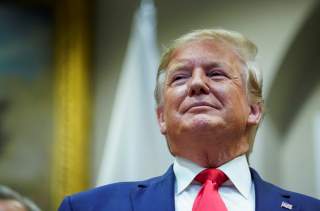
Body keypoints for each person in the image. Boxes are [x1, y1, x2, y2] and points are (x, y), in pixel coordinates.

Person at [59, 29, 320, 211]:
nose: (196, 84)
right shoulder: (88, 208)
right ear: (161, 117)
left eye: (216, 74)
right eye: (180, 77)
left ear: (253, 110)